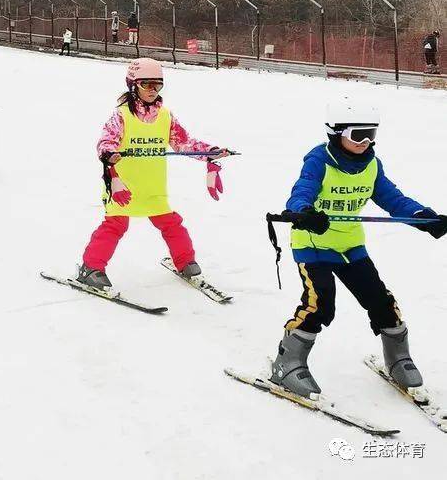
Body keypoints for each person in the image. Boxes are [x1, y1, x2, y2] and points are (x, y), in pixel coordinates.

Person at [269, 100, 447, 398]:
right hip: (313, 244)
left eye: (371, 134)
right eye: (358, 135)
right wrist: (303, 211)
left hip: (351, 245)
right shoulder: (319, 161)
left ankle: (397, 358)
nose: (366, 142)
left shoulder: (371, 165)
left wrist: (422, 217)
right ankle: (287, 362)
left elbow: (393, 199)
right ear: (336, 133)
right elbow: (302, 190)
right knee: (321, 303)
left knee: (379, 299)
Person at [77, 57, 231, 289]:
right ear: (133, 85)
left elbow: (184, 143)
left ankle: (185, 262)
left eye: (157, 85)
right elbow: (105, 141)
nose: (152, 90)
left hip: (153, 188)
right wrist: (109, 153)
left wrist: (210, 152)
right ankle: (91, 267)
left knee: (172, 224)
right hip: (123, 188)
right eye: (146, 84)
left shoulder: (165, 116)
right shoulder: (121, 115)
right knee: (115, 226)